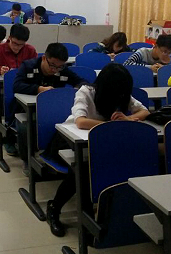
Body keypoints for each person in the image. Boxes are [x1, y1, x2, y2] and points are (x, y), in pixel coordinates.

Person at [43, 63, 150, 237]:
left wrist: (128, 119)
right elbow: (81, 122)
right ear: (106, 87)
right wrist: (110, 125)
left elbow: (144, 111)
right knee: (83, 170)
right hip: (69, 140)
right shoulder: (86, 92)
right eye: (117, 92)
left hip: (100, 142)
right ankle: (56, 209)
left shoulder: (121, 92)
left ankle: (104, 213)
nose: (120, 96)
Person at [11, 43, 86, 163]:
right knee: (27, 126)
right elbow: (17, 86)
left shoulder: (62, 70)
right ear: (44, 58)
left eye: (59, 67)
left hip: (52, 109)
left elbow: (82, 82)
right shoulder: (28, 66)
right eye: (52, 65)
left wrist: (77, 89)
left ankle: (53, 155)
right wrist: (39, 89)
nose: (55, 70)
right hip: (27, 109)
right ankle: (28, 160)